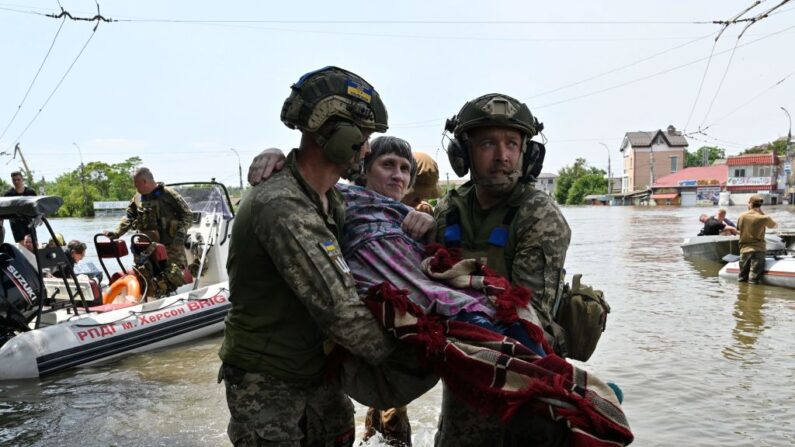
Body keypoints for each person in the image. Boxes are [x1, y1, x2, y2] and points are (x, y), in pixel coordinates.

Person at [218, 66, 396, 446]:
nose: (366, 148)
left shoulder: (328, 197)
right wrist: (421, 357)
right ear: (332, 131)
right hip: (267, 382)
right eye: (362, 137)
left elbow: (377, 214)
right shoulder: (281, 205)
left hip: (316, 373)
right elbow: (340, 311)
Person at [433, 93, 571, 446]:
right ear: (463, 153)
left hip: (522, 378)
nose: (502, 156)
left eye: (512, 143)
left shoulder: (539, 215)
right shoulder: (449, 208)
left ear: (528, 153)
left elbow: (530, 320)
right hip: (462, 378)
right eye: (488, 143)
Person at [103, 167, 192, 289]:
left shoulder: (168, 194)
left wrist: (180, 236)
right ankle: (155, 295)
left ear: (144, 181)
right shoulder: (138, 198)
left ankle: (184, 294)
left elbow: (187, 215)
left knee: (175, 274)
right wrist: (116, 233)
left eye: (136, 185)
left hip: (171, 245)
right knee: (147, 273)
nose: (136, 188)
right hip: (148, 245)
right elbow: (129, 217)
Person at [736, 195, 777, 284]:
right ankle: (754, 296)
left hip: (745, 249)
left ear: (750, 204)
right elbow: (774, 225)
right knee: (753, 280)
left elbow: (738, 229)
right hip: (759, 250)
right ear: (760, 205)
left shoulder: (742, 216)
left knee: (742, 278)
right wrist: (762, 213)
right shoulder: (764, 218)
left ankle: (741, 296)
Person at [3, 171, 36, 243]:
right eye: (14, 180)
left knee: (33, 243)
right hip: (16, 223)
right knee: (22, 244)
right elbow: (4, 211)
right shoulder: (8, 194)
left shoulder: (31, 192)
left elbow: (36, 207)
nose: (16, 182)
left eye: (18, 179)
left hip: (29, 221)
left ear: (22, 179)